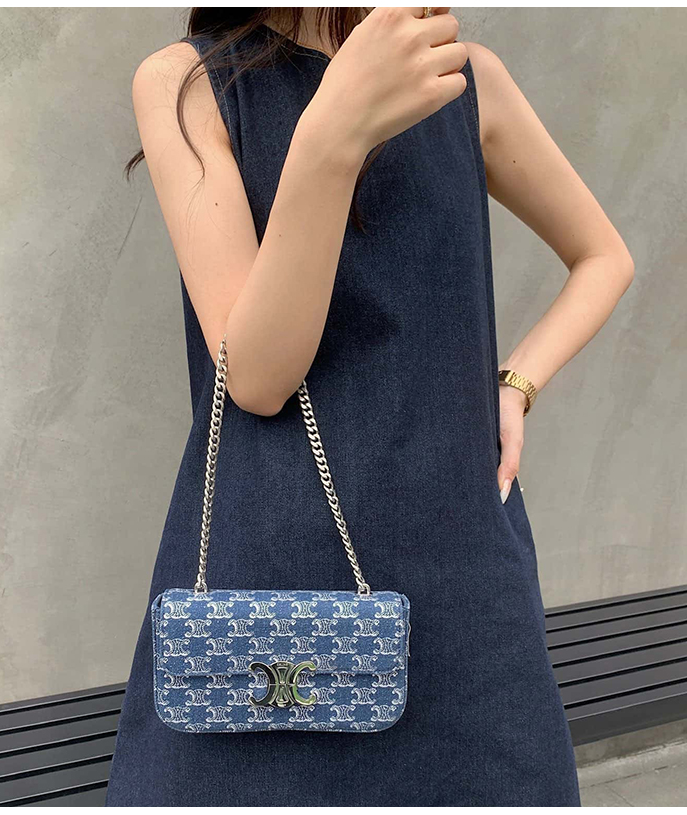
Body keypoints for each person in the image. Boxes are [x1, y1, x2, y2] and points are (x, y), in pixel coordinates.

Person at [106, 7, 634, 806]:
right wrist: (333, 135)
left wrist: (516, 384)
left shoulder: (462, 78)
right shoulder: (187, 83)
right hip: (273, 576)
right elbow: (259, 377)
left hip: (463, 569)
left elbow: (603, 256)